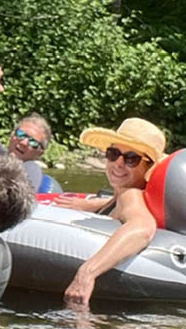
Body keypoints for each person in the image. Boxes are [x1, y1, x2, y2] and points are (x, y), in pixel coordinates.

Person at [54, 117, 166, 309]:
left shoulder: (131, 196)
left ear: (149, 167)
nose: (119, 163)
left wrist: (87, 273)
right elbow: (117, 206)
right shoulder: (126, 193)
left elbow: (142, 228)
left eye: (132, 159)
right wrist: (90, 205)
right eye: (113, 153)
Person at [0, 55, 51, 192]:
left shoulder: (32, 173)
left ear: (40, 153)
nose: (24, 143)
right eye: (21, 134)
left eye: (33, 142)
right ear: (12, 135)